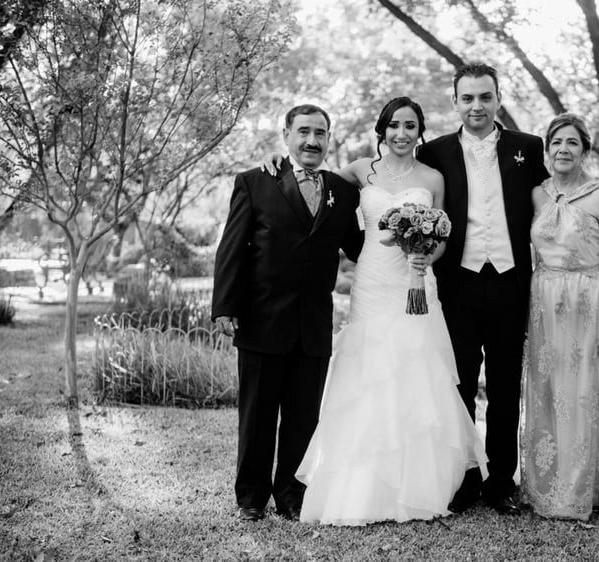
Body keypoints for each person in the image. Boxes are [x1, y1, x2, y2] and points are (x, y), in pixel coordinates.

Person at [264, 96, 487, 526]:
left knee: (418, 370)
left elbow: (442, 232)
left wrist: (428, 257)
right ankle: (363, 482)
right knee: (368, 373)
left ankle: (421, 483)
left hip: (416, 285)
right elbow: (312, 177)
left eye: (410, 126)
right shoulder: (361, 170)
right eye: (393, 125)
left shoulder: (433, 177)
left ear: (420, 131)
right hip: (372, 283)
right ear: (381, 130)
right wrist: (276, 158)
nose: (401, 134)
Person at [211, 104, 364, 522]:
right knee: (258, 415)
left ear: (329, 139)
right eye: (303, 132)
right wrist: (224, 306)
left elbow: (358, 247)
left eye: (320, 133)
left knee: (303, 418)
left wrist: (409, 239)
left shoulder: (343, 192)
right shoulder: (255, 182)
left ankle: (292, 494)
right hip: (262, 319)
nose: (312, 141)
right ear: (286, 135)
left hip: (313, 322)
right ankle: (251, 497)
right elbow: (232, 249)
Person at [415, 62, 549, 515]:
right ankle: (464, 478)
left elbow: (563, 183)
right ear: (455, 101)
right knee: (460, 385)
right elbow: (383, 171)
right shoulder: (433, 153)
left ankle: (500, 483)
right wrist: (284, 162)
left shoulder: (529, 149)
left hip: (512, 282)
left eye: (485, 96)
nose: (477, 106)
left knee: (507, 386)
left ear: (498, 97)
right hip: (458, 283)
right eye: (467, 98)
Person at [521, 112, 599, 521]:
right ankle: (547, 486)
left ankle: (592, 491)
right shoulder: (537, 194)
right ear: (547, 150)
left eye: (572, 143)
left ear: (585, 150)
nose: (563, 150)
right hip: (545, 306)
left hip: (590, 303)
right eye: (556, 143)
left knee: (587, 395)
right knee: (550, 393)